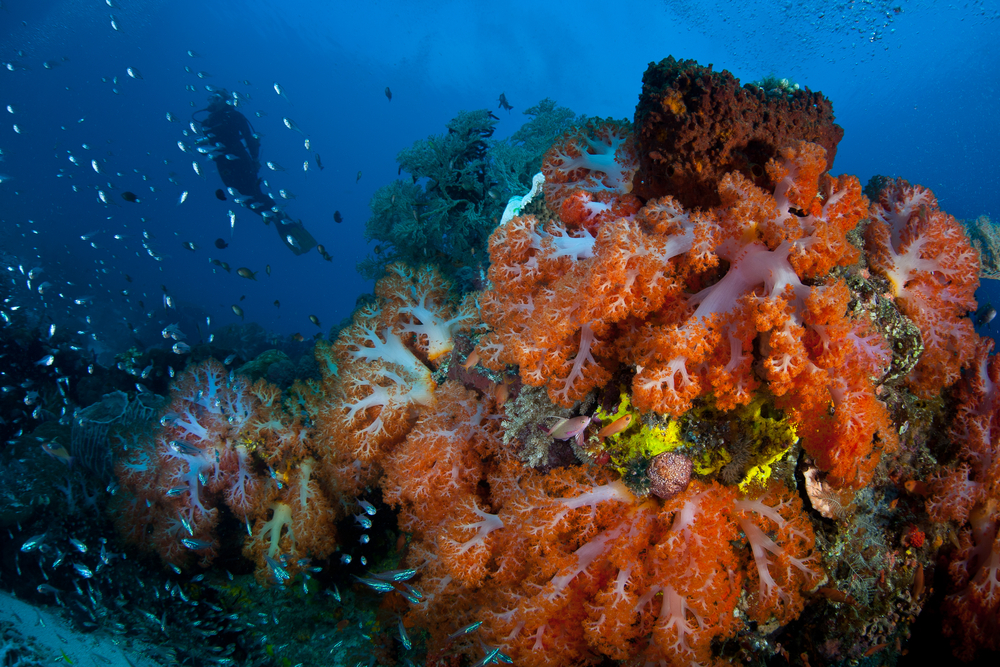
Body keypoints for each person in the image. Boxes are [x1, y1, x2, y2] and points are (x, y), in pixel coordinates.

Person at [193, 92, 316, 255]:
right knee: (243, 199)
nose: (212, 101)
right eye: (210, 98)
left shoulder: (235, 116)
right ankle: (277, 218)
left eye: (217, 98)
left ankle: (284, 221)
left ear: (225, 101)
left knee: (254, 194)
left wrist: (255, 159)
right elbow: (206, 150)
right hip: (223, 167)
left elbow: (250, 138)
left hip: (241, 162)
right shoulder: (206, 122)